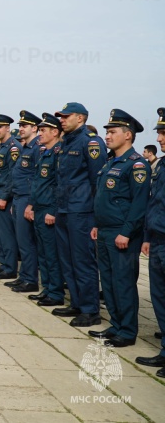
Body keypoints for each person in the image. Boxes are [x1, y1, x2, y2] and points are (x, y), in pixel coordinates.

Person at [88, 110, 149, 347]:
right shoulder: (110, 162)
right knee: (110, 281)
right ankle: (116, 324)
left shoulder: (136, 165)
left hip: (122, 233)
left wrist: (126, 231)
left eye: (112, 132)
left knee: (123, 283)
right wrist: (96, 224)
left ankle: (127, 331)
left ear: (128, 135)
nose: (107, 136)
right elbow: (104, 198)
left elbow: (139, 203)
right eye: (106, 132)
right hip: (104, 230)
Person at [53, 102, 107, 327]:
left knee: (83, 261)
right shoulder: (66, 142)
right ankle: (76, 302)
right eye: (61, 117)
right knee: (67, 260)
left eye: (66, 116)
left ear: (81, 118)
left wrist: (96, 217)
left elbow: (98, 181)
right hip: (64, 209)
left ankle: (90, 309)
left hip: (81, 211)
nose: (62, 120)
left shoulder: (91, 142)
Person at [136, 107, 165, 376]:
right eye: (160, 133)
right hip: (157, 240)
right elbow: (154, 203)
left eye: (164, 133)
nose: (160, 139)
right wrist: (147, 237)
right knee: (159, 299)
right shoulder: (163, 165)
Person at [26, 113, 65, 307]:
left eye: (43, 130)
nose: (40, 134)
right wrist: (32, 205)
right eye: (39, 130)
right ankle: (48, 288)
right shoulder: (45, 153)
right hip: (39, 208)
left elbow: (60, 185)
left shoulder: (59, 153)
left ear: (55, 132)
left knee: (51, 253)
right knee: (43, 253)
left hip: (49, 209)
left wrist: (53, 210)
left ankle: (56, 292)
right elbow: (38, 183)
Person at [5, 111, 41, 293]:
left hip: (27, 198)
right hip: (19, 198)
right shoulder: (25, 147)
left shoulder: (37, 148)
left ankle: (30, 279)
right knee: (21, 240)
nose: (20, 129)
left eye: (24, 126)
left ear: (34, 128)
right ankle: (24, 276)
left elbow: (37, 178)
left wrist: (31, 204)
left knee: (27, 242)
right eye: (20, 126)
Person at [0, 114, 21, 280]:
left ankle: (10, 267)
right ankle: (3, 264)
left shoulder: (13, 147)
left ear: (8, 128)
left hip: (4, 193)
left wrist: (5, 197)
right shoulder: (0, 147)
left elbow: (12, 175)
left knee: (7, 233)